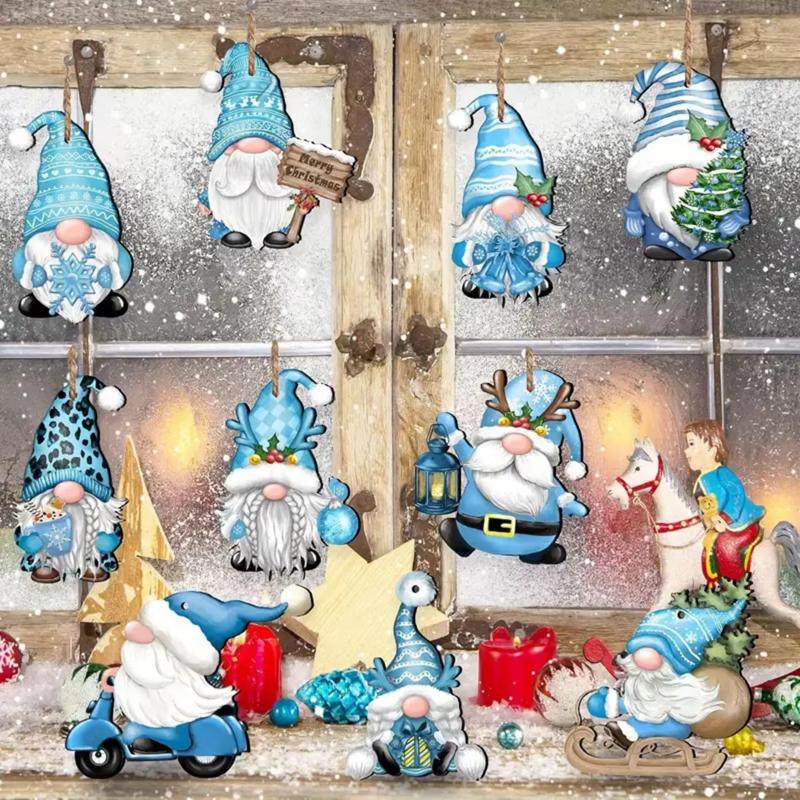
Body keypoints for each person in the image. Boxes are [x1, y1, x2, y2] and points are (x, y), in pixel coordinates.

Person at [684, 419, 765, 585]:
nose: (686, 451)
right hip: (714, 524)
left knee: (725, 545)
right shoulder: (701, 479)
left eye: (691, 444)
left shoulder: (722, 474)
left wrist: (725, 517)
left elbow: (736, 494)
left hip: (738, 523)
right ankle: (711, 582)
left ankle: (734, 586)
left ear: (712, 449)